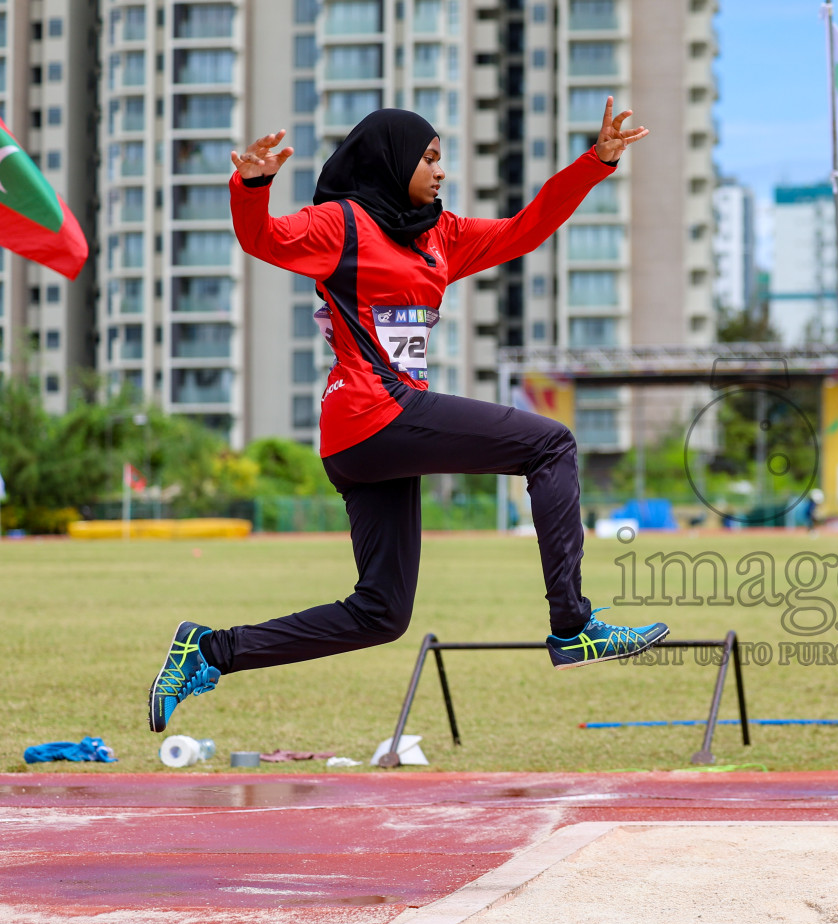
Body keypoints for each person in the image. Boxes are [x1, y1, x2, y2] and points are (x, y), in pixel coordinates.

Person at [148, 101, 668, 734]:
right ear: (392, 160)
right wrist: (251, 185)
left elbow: (525, 229)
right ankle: (574, 625)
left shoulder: (439, 235)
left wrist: (597, 162)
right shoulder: (340, 224)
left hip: (376, 434)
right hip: (372, 410)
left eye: (441, 158)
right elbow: (262, 240)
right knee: (550, 444)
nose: (440, 171)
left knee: (381, 614)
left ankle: (206, 651)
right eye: (429, 158)